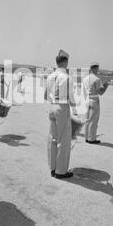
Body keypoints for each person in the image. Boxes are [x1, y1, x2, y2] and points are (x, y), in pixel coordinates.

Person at [45, 49, 76, 179]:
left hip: (52, 107)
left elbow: (46, 96)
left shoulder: (50, 76)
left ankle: (53, 168)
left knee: (53, 138)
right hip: (62, 108)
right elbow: (71, 98)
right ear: (66, 62)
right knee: (64, 140)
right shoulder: (67, 77)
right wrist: (75, 107)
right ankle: (61, 171)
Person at [82, 62, 109, 144]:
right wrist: (106, 86)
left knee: (87, 120)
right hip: (93, 100)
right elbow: (100, 92)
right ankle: (92, 138)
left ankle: (87, 137)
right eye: (97, 68)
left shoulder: (85, 78)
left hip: (87, 99)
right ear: (95, 68)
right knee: (93, 120)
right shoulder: (96, 79)